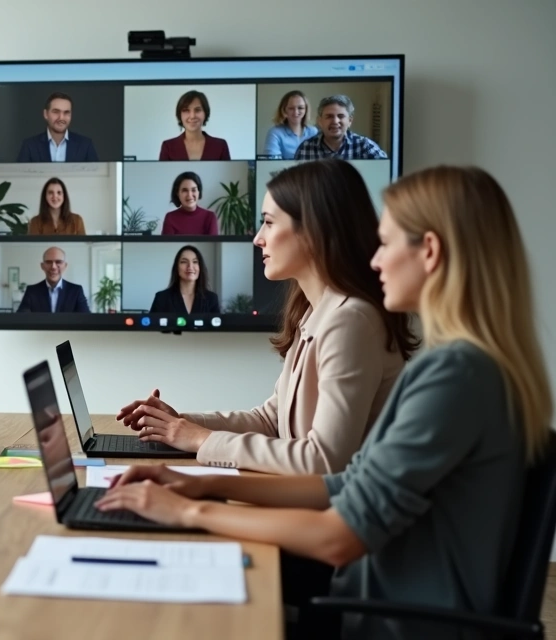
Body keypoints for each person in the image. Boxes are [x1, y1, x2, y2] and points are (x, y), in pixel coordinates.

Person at [97, 165, 552, 640]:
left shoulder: (456, 374)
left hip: (386, 620)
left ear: (430, 251)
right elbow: (343, 484)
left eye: (387, 242)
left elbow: (339, 535)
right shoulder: (463, 366)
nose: (374, 261)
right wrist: (199, 485)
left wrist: (188, 511)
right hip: (377, 603)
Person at [117, 159, 418, 475]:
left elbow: (324, 461)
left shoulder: (351, 321)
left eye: (269, 222)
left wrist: (199, 439)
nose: (257, 238)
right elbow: (271, 420)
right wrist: (182, 424)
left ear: (314, 229)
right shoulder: (315, 311)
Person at [294, 95, 388, 160]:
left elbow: (385, 173)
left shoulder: (365, 146)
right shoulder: (305, 149)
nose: (335, 121)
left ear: (350, 121)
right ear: (320, 121)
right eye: (329, 116)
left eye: (341, 116)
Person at [16, 92, 99, 162]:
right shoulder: (30, 145)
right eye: (56, 112)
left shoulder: (85, 145)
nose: (61, 118)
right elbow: (20, 178)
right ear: (46, 114)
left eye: (66, 112)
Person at [159, 90, 231, 161]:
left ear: (205, 113)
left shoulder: (220, 146)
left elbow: (228, 173)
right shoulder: (168, 147)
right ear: (179, 115)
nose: (192, 116)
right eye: (186, 110)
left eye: (197, 110)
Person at [16, 246, 90, 313]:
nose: (53, 267)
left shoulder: (76, 291)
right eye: (48, 262)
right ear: (42, 266)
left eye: (58, 262)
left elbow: (85, 320)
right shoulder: (31, 291)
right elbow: (21, 319)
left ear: (65, 266)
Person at [150, 245, 221, 314]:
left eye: (195, 262)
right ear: (177, 267)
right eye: (184, 262)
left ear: (200, 267)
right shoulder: (161, 298)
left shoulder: (212, 299)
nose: (190, 266)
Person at [263, 90, 319, 160]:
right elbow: (271, 162)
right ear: (284, 110)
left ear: (306, 110)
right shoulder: (275, 133)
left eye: (300, 108)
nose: (296, 112)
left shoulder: (313, 132)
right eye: (291, 108)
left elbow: (318, 160)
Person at [161, 171, 219, 236]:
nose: (189, 195)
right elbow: (167, 245)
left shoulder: (210, 217)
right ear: (177, 193)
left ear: (198, 192)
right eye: (185, 190)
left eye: (193, 190)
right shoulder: (170, 218)